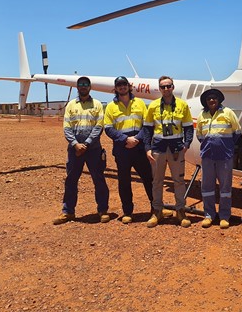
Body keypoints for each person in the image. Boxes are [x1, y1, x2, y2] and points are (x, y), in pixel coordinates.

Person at [104, 76, 162, 224]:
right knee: (124, 181)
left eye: (124, 84)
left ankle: (155, 209)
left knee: (148, 178)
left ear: (129, 86)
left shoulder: (140, 103)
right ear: (115, 88)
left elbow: (147, 124)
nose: (122, 87)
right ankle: (127, 211)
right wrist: (125, 139)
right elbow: (108, 128)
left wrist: (137, 139)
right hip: (122, 148)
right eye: (119, 85)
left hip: (139, 146)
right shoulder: (111, 107)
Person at [53, 76, 110, 225]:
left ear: (90, 87)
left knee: (99, 179)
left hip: (94, 150)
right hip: (74, 150)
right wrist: (75, 144)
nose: (83, 87)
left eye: (86, 84)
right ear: (77, 87)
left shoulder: (97, 105)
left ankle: (103, 210)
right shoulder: (71, 105)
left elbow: (99, 126)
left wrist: (87, 144)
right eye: (81, 84)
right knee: (71, 180)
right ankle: (68, 211)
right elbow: (66, 127)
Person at [142, 76, 194, 228]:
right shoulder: (152, 106)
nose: (166, 89)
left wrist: (187, 144)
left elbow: (188, 127)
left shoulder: (182, 105)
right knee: (157, 181)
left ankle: (180, 210)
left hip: (176, 148)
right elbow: (147, 129)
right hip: (158, 148)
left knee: (178, 181)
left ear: (173, 87)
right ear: (159, 89)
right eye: (163, 87)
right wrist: (147, 148)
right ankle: (157, 210)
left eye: (168, 86)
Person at [196, 88, 242, 229]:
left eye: (214, 98)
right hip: (208, 156)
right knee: (207, 187)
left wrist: (225, 145)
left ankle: (224, 216)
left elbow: (237, 132)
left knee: (225, 188)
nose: (211, 100)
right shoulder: (201, 115)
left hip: (224, 156)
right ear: (205, 101)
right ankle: (209, 215)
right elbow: (199, 135)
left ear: (219, 100)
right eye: (209, 98)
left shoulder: (228, 112)